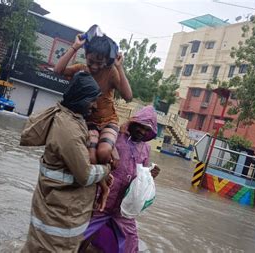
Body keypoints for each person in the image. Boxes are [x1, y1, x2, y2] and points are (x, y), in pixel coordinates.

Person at [20, 72, 112, 252]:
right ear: (80, 98)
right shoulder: (69, 130)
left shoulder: (69, 118)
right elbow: (84, 175)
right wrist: (106, 169)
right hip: (60, 215)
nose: (94, 106)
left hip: (54, 206)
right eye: (91, 100)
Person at [54, 33, 133, 210]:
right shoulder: (82, 69)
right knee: (90, 158)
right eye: (92, 61)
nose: (95, 66)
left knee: (104, 153)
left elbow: (128, 96)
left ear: (108, 60)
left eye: (100, 62)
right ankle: (103, 185)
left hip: (108, 120)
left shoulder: (111, 72)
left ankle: (107, 173)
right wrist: (75, 47)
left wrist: (120, 68)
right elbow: (57, 71)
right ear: (86, 56)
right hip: (88, 121)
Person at [81, 106, 161, 253]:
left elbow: (141, 176)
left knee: (131, 243)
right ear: (133, 123)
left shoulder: (146, 149)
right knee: (83, 234)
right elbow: (98, 157)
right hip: (103, 199)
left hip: (123, 207)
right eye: (140, 127)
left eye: (146, 129)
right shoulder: (116, 137)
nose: (142, 131)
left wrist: (150, 175)